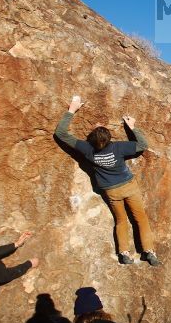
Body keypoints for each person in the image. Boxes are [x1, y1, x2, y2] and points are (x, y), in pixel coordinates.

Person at [54, 95, 160, 266]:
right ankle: (149, 252)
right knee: (141, 218)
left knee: (121, 220)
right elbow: (142, 145)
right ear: (109, 139)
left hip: (111, 190)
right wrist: (132, 127)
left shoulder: (87, 149)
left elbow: (61, 133)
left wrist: (71, 110)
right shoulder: (118, 147)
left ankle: (124, 253)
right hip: (129, 186)